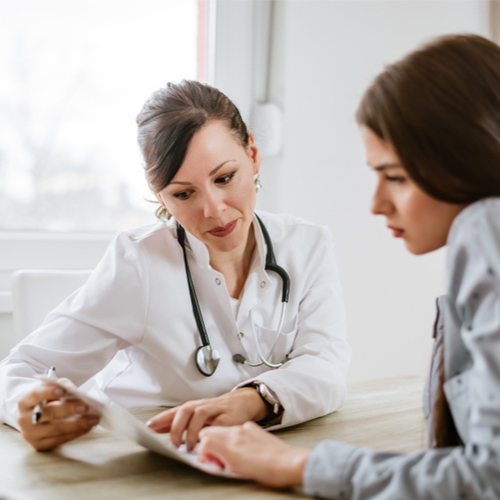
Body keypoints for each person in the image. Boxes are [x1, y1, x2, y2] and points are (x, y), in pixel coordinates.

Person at [196, 34, 500, 498]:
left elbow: (487, 478)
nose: (376, 204)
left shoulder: (485, 227)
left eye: (395, 177)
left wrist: (300, 465)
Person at [0, 80, 351, 452]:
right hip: (146, 458)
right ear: (159, 194)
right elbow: (19, 371)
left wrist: (250, 400)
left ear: (252, 155)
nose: (213, 209)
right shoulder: (137, 262)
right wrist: (28, 407)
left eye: (224, 178)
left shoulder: (307, 245)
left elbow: (326, 365)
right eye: (183, 194)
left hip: (257, 455)